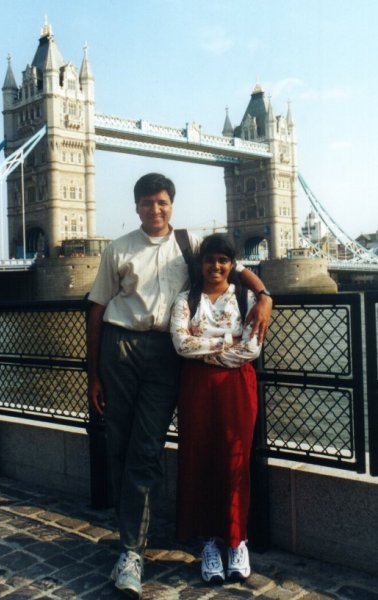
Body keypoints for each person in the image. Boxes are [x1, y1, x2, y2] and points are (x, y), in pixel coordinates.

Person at [87, 173, 272, 599]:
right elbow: (96, 309)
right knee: (119, 447)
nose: (156, 209)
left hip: (166, 356)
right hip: (121, 348)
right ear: (136, 207)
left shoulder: (189, 245)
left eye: (163, 202)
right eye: (148, 203)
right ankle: (130, 546)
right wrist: (93, 372)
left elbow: (234, 265)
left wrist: (263, 296)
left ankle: (134, 551)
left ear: (172, 205)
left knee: (146, 449)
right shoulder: (118, 249)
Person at [170, 233, 262, 584]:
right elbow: (181, 344)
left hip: (237, 386)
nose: (216, 266)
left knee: (236, 459)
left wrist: (206, 345)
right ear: (201, 263)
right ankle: (209, 543)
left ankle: (238, 541)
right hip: (197, 387)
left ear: (232, 264)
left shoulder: (247, 297)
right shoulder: (186, 299)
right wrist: (227, 341)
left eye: (224, 260)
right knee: (200, 459)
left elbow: (251, 347)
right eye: (210, 259)